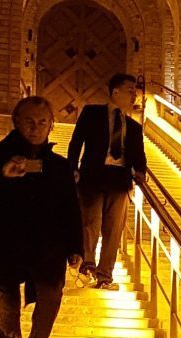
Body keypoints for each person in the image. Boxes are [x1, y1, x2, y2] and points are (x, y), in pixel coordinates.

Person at [0, 95, 85, 338]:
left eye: (42, 122)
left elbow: (71, 208)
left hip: (48, 248)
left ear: (51, 125)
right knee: (7, 305)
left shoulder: (59, 166)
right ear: (16, 121)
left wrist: (77, 247)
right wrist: (0, 175)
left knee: (51, 297)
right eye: (29, 121)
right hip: (5, 243)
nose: (35, 128)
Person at [68, 73, 147, 291]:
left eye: (135, 92)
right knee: (90, 223)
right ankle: (87, 265)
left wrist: (140, 172)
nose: (134, 96)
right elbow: (76, 143)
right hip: (93, 176)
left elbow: (139, 157)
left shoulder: (134, 127)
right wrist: (72, 168)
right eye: (130, 91)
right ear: (115, 92)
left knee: (114, 230)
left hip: (119, 180)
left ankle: (105, 275)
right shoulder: (92, 113)